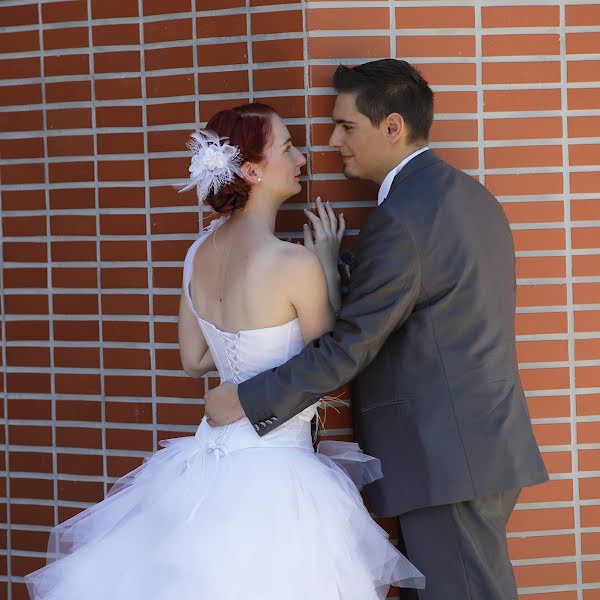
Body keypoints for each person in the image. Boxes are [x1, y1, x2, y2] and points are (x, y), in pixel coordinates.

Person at [25, 102, 424, 600]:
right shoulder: (292, 262)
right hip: (279, 471)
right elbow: (330, 367)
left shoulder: (199, 252)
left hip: (205, 463)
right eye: (288, 148)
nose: (301, 158)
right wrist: (325, 265)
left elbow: (193, 359)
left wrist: (245, 357)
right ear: (253, 170)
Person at [204, 60, 549, 599]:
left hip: (443, 458)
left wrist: (248, 402)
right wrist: (336, 269)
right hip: (470, 448)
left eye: (346, 127)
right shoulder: (462, 195)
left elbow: (351, 347)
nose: (332, 140)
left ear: (392, 127)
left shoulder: (405, 217)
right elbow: (422, 308)